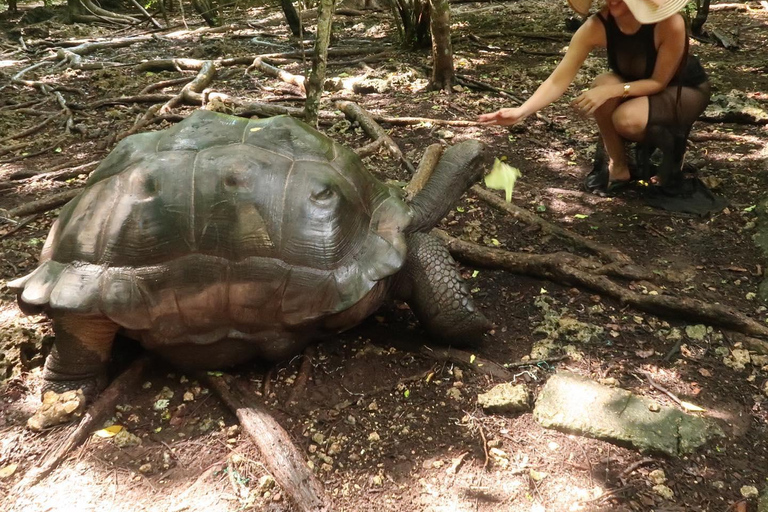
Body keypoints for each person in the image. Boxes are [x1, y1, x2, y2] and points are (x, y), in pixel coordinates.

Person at [477, 0, 711, 197]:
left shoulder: (670, 23)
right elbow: (559, 79)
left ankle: (673, 148)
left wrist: (612, 92)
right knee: (602, 83)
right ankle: (618, 166)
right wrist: (521, 111)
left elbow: (658, 82)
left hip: (680, 90)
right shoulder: (598, 25)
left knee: (625, 118)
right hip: (634, 87)